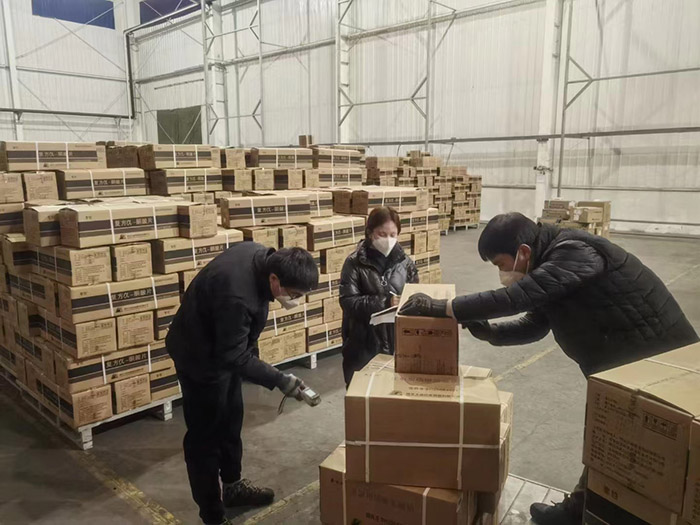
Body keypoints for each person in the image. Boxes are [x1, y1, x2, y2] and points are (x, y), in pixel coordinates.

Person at [399, 212, 698, 525]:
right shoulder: (549, 266)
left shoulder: (574, 252)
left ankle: (583, 513)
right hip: (623, 370)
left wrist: (445, 308)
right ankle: (576, 511)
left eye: (501, 264)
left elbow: (515, 298)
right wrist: (492, 333)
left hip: (661, 367)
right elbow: (537, 324)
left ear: (523, 252)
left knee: (644, 454)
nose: (501, 273)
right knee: (609, 442)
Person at [166, 244, 319, 525]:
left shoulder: (262, 259)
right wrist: (280, 380)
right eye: (294, 294)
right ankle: (212, 515)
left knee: (231, 420)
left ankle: (233, 487)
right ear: (275, 279)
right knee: (205, 439)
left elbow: (241, 340)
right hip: (199, 359)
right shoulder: (236, 294)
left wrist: (256, 365)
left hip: (221, 349)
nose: (295, 300)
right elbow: (234, 355)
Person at [339, 206, 419, 386]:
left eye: (393, 235)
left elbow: (414, 294)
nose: (388, 240)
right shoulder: (354, 264)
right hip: (363, 344)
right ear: (370, 233)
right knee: (362, 394)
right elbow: (348, 302)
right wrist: (385, 302)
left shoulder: (405, 263)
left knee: (392, 394)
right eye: (382, 234)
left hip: (397, 343)